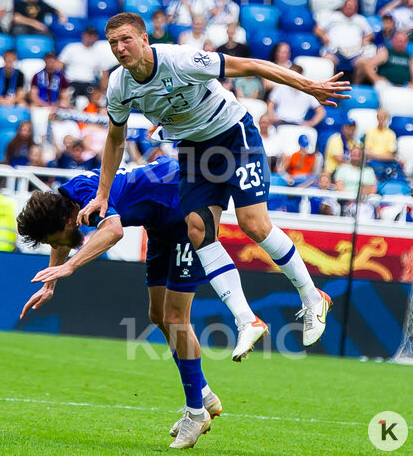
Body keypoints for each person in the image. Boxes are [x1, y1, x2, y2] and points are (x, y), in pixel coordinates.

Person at [83, 14, 345, 407]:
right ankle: (247, 320)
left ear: (144, 38)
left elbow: (250, 65)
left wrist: (308, 86)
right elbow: (115, 138)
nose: (120, 49)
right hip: (194, 149)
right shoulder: (118, 87)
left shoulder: (181, 59)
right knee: (198, 231)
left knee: (254, 224)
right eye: (113, 43)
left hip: (233, 134)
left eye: (125, 40)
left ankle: (312, 297)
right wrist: (103, 195)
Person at [18, 158, 255, 449]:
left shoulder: (88, 199)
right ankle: (203, 393)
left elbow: (114, 231)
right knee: (157, 314)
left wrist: (69, 267)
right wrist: (49, 285)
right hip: (159, 225)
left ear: (65, 221)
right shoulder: (67, 199)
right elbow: (62, 241)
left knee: (175, 317)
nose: (59, 245)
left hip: (184, 213)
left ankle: (196, 412)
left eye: (54, 237)